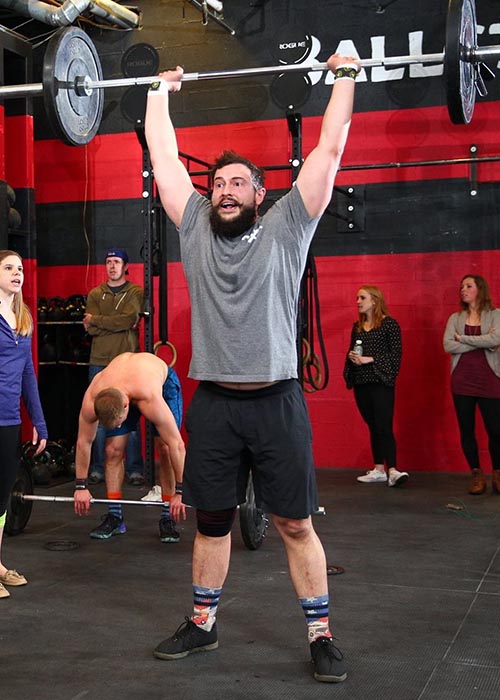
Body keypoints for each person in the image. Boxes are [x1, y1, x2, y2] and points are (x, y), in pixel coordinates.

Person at [144, 53, 360, 683]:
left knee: (294, 521)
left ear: (260, 195)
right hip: (214, 403)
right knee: (210, 523)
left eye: (237, 183)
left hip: (276, 401)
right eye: (218, 184)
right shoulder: (194, 232)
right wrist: (160, 92)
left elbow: (329, 149)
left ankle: (320, 634)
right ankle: (204, 625)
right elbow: (163, 159)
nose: (224, 190)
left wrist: (344, 77)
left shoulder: (289, 225)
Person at [73, 352, 186, 542]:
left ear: (126, 406)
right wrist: (80, 486)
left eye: (118, 423)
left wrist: (181, 492)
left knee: (166, 449)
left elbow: (178, 445)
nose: (118, 427)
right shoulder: (93, 398)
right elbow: (83, 442)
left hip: (158, 382)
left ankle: (167, 518)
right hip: (123, 385)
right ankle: (115, 516)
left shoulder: (150, 398)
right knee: (112, 450)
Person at [0, 250, 48, 599]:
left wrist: (40, 424)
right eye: (8, 268)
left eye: (19, 268)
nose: (17, 273)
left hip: (10, 421)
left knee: (2, 500)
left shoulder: (23, 319)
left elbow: (28, 375)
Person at [83, 248, 145, 486]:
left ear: (125, 266)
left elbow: (129, 319)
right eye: (108, 262)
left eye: (116, 261)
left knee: (130, 415)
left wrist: (97, 321)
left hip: (126, 360)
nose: (112, 266)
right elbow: (91, 329)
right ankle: (97, 468)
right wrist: (115, 324)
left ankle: (134, 469)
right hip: (98, 360)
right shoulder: (95, 293)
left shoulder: (135, 292)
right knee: (98, 416)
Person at [343, 285, 407, 487]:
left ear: (374, 300)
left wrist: (369, 359)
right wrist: (352, 357)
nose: (358, 302)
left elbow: (395, 357)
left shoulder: (389, 325)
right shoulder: (358, 327)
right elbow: (353, 350)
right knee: (373, 425)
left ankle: (393, 469)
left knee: (383, 425)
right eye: (357, 298)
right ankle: (379, 468)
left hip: (381, 381)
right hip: (362, 381)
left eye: (362, 297)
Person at [443, 274, 500, 495]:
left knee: (496, 430)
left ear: (480, 289)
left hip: (490, 380)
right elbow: (448, 345)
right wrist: (482, 342)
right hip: (462, 381)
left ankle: (497, 472)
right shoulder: (455, 318)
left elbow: (496, 340)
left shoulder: (495, 315)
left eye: (468, 286)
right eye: (461, 287)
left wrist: (463, 339)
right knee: (466, 430)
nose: (463, 290)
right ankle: (476, 473)